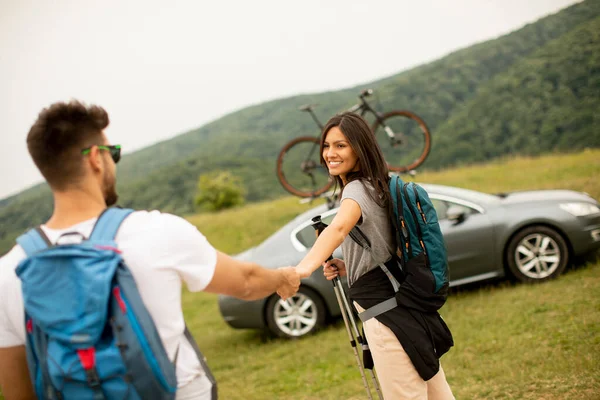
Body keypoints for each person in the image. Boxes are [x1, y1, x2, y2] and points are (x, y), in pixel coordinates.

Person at [0, 100, 301, 400]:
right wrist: (283, 278)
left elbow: (18, 391)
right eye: (112, 153)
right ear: (95, 158)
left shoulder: (8, 272)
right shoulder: (155, 231)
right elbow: (245, 281)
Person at [295, 112, 454, 399]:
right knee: (437, 394)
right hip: (407, 308)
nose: (330, 154)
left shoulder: (355, 190)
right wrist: (349, 266)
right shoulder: (377, 183)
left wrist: (300, 270)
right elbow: (381, 245)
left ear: (360, 147)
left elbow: (340, 227)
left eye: (341, 146)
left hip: (386, 319)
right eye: (327, 145)